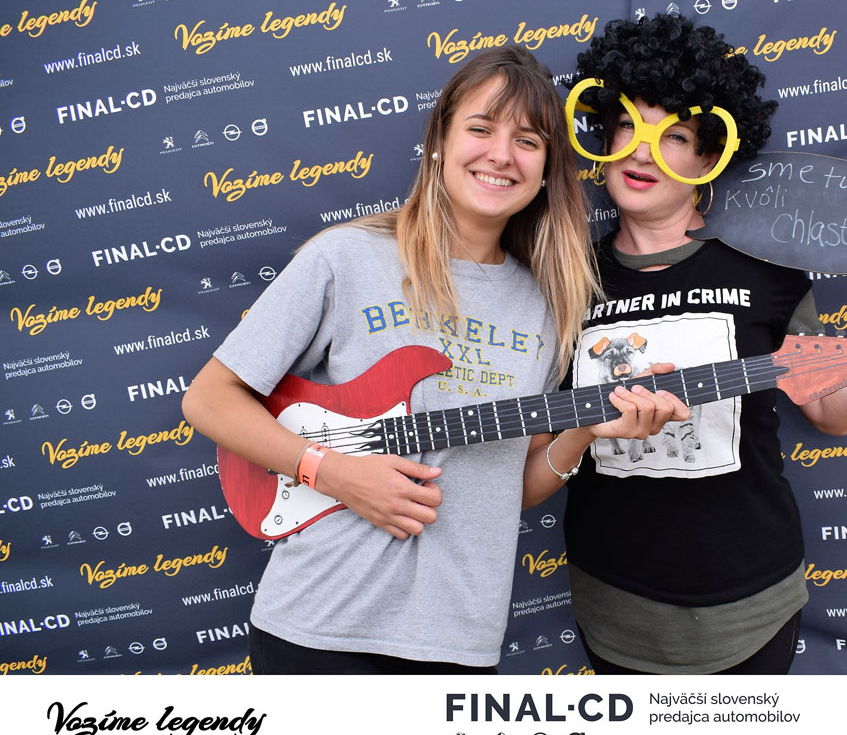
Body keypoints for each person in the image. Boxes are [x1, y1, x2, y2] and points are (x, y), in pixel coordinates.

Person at [181, 45, 686, 674]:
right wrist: (332, 472)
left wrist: (583, 430)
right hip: (317, 626)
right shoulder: (347, 258)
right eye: (481, 128)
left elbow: (508, 489)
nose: (501, 154)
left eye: (527, 141)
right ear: (439, 143)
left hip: (458, 640)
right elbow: (208, 399)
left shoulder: (547, 305)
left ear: (546, 168)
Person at [555, 14, 847, 674]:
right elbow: (543, 446)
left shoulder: (767, 272)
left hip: (752, 606)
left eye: (674, 136)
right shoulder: (564, 281)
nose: (643, 153)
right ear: (605, 138)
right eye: (628, 127)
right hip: (615, 605)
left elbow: (833, 415)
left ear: (709, 157)